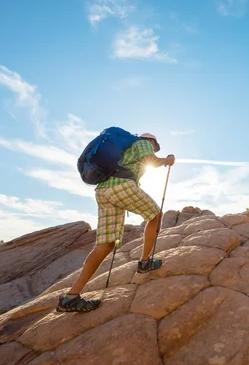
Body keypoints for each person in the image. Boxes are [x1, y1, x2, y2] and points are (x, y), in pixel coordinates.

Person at [56, 132, 175, 313]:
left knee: (106, 243)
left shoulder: (125, 150)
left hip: (103, 191)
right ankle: (144, 262)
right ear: (151, 141)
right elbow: (151, 160)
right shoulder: (142, 143)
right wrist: (167, 160)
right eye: (155, 145)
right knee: (155, 215)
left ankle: (71, 297)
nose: (154, 147)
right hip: (121, 185)